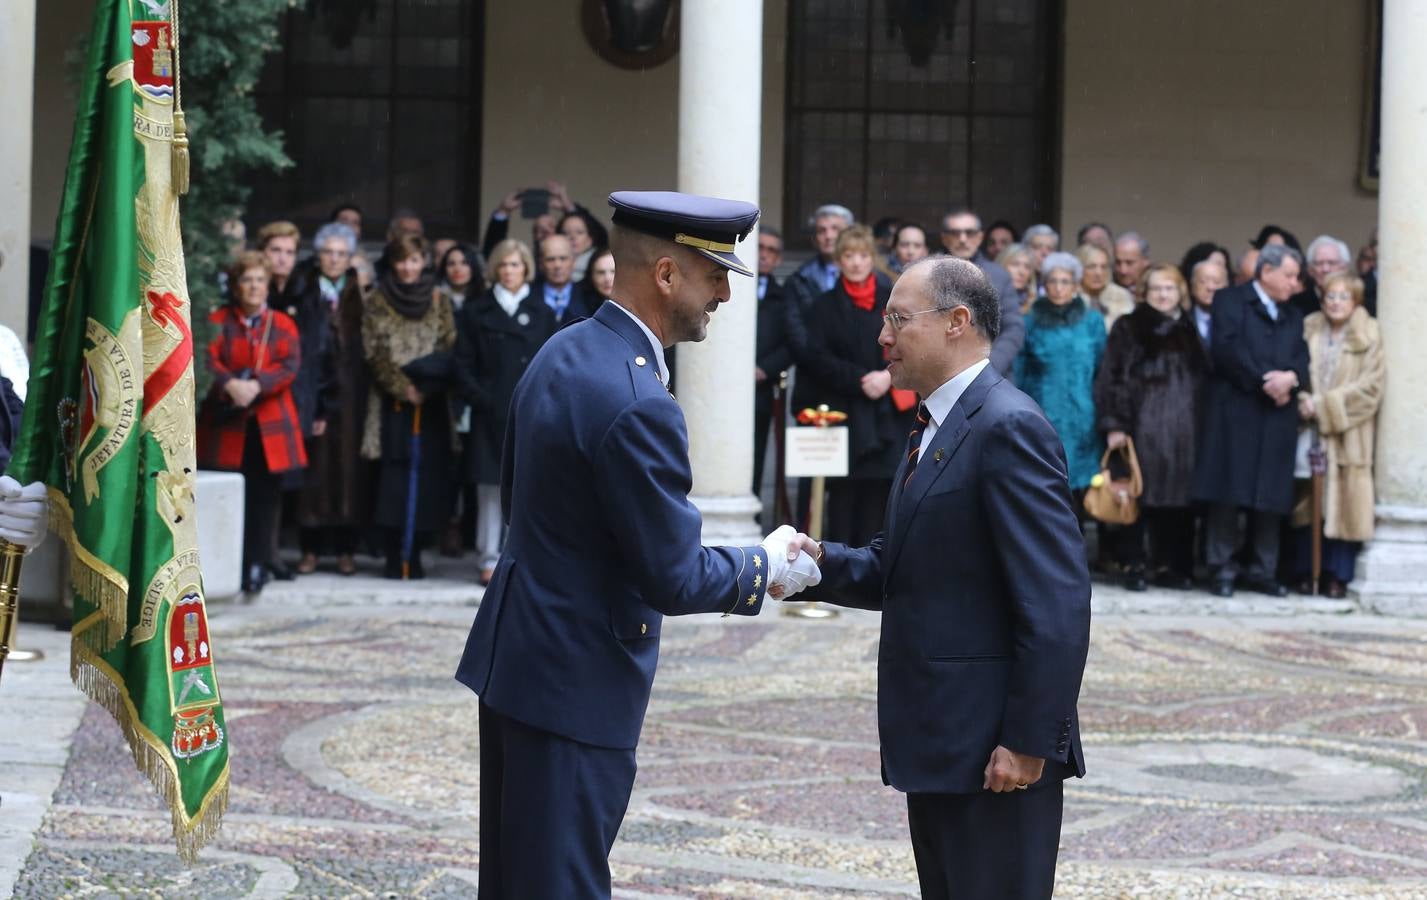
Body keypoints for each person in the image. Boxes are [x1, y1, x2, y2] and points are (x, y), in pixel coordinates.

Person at [455, 190, 819, 898]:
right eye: (714, 275)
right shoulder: (637, 398)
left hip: (522, 661)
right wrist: (766, 562)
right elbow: (673, 576)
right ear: (664, 275)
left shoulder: (566, 348)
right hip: (576, 681)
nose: (722, 293)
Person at [791, 255, 1090, 900]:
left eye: (899, 318)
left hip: (995, 756)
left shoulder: (1008, 427)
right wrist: (810, 565)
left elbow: (1057, 603)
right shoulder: (937, 423)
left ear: (957, 322)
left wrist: (1027, 742)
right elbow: (904, 567)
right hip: (943, 742)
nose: (883, 336)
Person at [1191, 244, 1310, 598]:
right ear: (1266, 271)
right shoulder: (1230, 299)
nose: (1294, 283)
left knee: (1270, 496)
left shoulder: (1293, 314)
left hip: (1277, 414)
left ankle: (1263, 570)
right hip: (1236, 410)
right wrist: (1264, 381)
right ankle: (1221, 568)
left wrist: (1291, 379)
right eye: (1288, 275)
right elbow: (1226, 349)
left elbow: (1302, 357)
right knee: (1228, 492)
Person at [1093, 264, 1209, 591]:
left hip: (1186, 431)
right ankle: (1135, 565)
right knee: (1138, 495)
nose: (1162, 295)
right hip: (1143, 426)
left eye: (1169, 289)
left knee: (1179, 503)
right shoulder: (1129, 327)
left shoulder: (1191, 327)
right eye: (1156, 288)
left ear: (1180, 292)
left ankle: (1173, 566)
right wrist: (1115, 424)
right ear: (1144, 291)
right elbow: (1111, 378)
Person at [198, 252, 306, 594]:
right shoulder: (217, 320)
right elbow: (206, 358)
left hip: (269, 426)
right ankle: (224, 564)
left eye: (260, 280)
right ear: (235, 286)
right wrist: (229, 384)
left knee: (265, 501)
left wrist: (257, 385)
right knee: (226, 496)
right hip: (228, 426)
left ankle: (257, 566)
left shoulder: (283, 323)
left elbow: (289, 364)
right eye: (247, 280)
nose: (254, 287)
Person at [800, 225, 912, 545]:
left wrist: (887, 377)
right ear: (838, 260)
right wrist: (859, 380)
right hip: (843, 409)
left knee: (880, 495)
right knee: (843, 495)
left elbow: (909, 341)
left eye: (863, 255)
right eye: (848, 255)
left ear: (872, 259)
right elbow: (816, 356)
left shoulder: (890, 298)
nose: (856, 262)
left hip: (886, 414)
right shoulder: (823, 305)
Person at [454, 238, 556, 586]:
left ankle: (521, 556)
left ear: (526, 268)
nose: (509, 271)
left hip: (529, 412)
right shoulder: (476, 311)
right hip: (488, 411)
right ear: (494, 269)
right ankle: (487, 557)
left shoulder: (542, 313)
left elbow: (551, 363)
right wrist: (483, 398)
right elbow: (463, 363)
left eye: (516, 265)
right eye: (504, 265)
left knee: (526, 485)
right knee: (488, 488)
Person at [361, 235, 458, 579]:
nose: (408, 267)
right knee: (393, 478)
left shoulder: (439, 300)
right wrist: (403, 388)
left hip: (430, 403)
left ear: (424, 262)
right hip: (392, 403)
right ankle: (392, 553)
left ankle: (415, 552)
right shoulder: (376, 301)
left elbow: (449, 347)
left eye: (415, 260)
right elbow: (374, 352)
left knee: (427, 476)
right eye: (402, 260)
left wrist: (426, 388)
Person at [1288, 272, 1384, 598]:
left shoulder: (1369, 332)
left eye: (1343, 297)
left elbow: (1371, 388)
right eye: (1330, 296)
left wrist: (1325, 406)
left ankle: (1336, 575)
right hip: (1309, 430)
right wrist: (1304, 401)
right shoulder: (1310, 326)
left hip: (1348, 433)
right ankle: (1305, 570)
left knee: (1345, 501)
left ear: (1355, 300)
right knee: (1306, 503)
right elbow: (1295, 368)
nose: (1336, 303)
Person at [293, 224, 370, 577]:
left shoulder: (361, 292)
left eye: (341, 254)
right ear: (318, 254)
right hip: (315, 390)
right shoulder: (305, 288)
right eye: (329, 252)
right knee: (315, 471)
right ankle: (310, 548)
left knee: (349, 472)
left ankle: (345, 549)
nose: (335, 260)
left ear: (350, 258)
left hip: (354, 394)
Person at [1015, 252, 1106, 500]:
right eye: (1052, 281)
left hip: (1085, 415)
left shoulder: (1092, 321)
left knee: (1086, 490)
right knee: (1046, 484)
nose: (1058, 288)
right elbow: (1020, 371)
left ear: (1076, 285)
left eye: (1065, 281)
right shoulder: (1030, 321)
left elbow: (1102, 369)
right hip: (1044, 412)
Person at [939, 208, 1025, 375]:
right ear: (944, 237)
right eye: (955, 233)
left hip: (991, 374)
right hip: (938, 374)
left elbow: (1013, 328)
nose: (963, 239)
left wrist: (989, 367)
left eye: (969, 233)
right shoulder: (926, 274)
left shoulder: (999, 276)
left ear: (980, 237)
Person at [754, 227, 792, 496]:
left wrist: (764, 369)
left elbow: (792, 343)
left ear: (778, 259)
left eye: (771, 251)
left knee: (755, 455)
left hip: (761, 390)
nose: (764, 255)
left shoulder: (783, 296)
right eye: (760, 247)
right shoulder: (723, 287)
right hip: (720, 390)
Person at [531, 234, 597, 325]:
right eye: (550, 259)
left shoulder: (590, 298)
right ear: (541, 264)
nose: (557, 265)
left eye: (563, 258)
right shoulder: (527, 295)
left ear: (573, 261)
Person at [1077, 243, 1134, 331]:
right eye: (1091, 267)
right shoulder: (1069, 297)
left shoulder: (1121, 297)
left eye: (1103, 267)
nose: (1098, 273)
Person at [1293, 234, 1352, 318]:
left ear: (1344, 268)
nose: (1325, 269)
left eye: (1331, 263)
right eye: (1319, 263)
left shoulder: (1357, 301)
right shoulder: (1295, 304)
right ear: (1310, 270)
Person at [256, 220, 301, 304]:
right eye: (276, 250)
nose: (283, 259)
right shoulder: (251, 288)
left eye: (290, 252)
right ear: (261, 252)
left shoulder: (306, 288)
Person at [559, 207, 610, 281]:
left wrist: (569, 206)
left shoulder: (601, 262)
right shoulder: (552, 265)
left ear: (590, 238)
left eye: (579, 232)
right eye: (566, 233)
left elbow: (602, 233)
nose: (572, 237)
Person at [1189, 258, 1228, 346]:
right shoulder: (1182, 320)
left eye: (1217, 282)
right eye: (1203, 281)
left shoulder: (1239, 321)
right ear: (1192, 286)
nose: (1210, 287)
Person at [437, 242, 482, 312]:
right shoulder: (433, 297)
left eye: (464, 263)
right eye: (451, 264)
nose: (457, 269)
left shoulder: (486, 297)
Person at [996, 243, 1037, 310]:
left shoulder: (1036, 306)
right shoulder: (988, 300)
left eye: (1027, 267)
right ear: (1002, 265)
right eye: (1015, 264)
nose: (1021, 272)